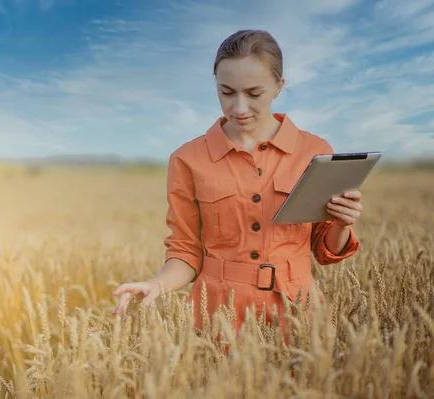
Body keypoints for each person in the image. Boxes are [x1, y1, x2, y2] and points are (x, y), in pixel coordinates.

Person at [112, 29, 361, 335]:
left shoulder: (315, 151)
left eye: (254, 94)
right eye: (227, 92)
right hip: (216, 315)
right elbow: (186, 251)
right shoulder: (187, 158)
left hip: (298, 314)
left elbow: (325, 251)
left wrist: (342, 223)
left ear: (279, 86)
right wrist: (155, 285)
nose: (239, 108)